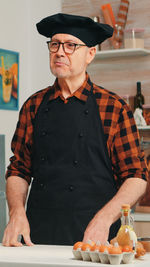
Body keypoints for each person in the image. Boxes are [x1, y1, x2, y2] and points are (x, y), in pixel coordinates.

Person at [2, 13, 148, 247]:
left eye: (71, 45)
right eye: (55, 44)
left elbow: (136, 176)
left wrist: (104, 218)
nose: (60, 52)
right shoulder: (33, 105)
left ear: (90, 54)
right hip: (38, 239)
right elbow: (19, 169)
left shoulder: (113, 107)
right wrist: (17, 212)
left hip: (98, 241)